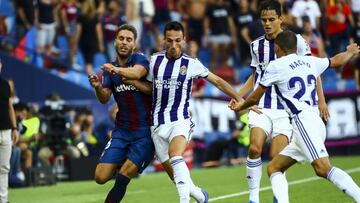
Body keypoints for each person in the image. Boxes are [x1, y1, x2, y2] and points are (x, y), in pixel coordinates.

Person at [102, 21, 243, 203]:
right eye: (170, 41)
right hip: (157, 125)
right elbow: (144, 86)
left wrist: (241, 99)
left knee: (176, 155)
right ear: (164, 40)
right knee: (174, 174)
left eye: (178, 41)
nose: (174, 45)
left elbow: (217, 81)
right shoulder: (154, 61)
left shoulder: (191, 64)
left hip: (180, 120)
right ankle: (200, 196)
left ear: (184, 40)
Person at [230, 30, 360, 203]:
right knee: (274, 168)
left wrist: (241, 106)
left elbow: (255, 96)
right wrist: (350, 52)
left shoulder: (276, 66)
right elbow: (335, 61)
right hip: (313, 122)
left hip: (302, 122)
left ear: (278, 48)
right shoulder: (309, 61)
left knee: (322, 168)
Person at [228, 1, 328, 202]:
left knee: (277, 157)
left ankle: (278, 197)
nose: (267, 23)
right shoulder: (256, 45)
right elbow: (255, 76)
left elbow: (313, 71)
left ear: (281, 19)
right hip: (263, 106)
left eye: (271, 19)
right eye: (264, 19)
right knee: (254, 147)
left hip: (285, 109)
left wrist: (321, 102)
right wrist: (238, 95)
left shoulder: (296, 41)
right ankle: (253, 198)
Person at [88, 24, 155, 203]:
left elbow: (137, 73)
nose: (124, 43)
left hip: (145, 132)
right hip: (122, 131)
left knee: (123, 177)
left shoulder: (140, 60)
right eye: (121, 38)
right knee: (100, 177)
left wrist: (115, 70)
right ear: (115, 41)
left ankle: (129, 165)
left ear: (134, 44)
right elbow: (104, 98)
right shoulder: (110, 69)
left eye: (129, 39)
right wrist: (97, 87)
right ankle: (126, 159)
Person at [0, 58, 20, 203]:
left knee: (4, 168)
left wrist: (14, 128)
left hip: (6, 130)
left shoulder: (5, 84)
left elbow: (9, 107)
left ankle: (3, 199)